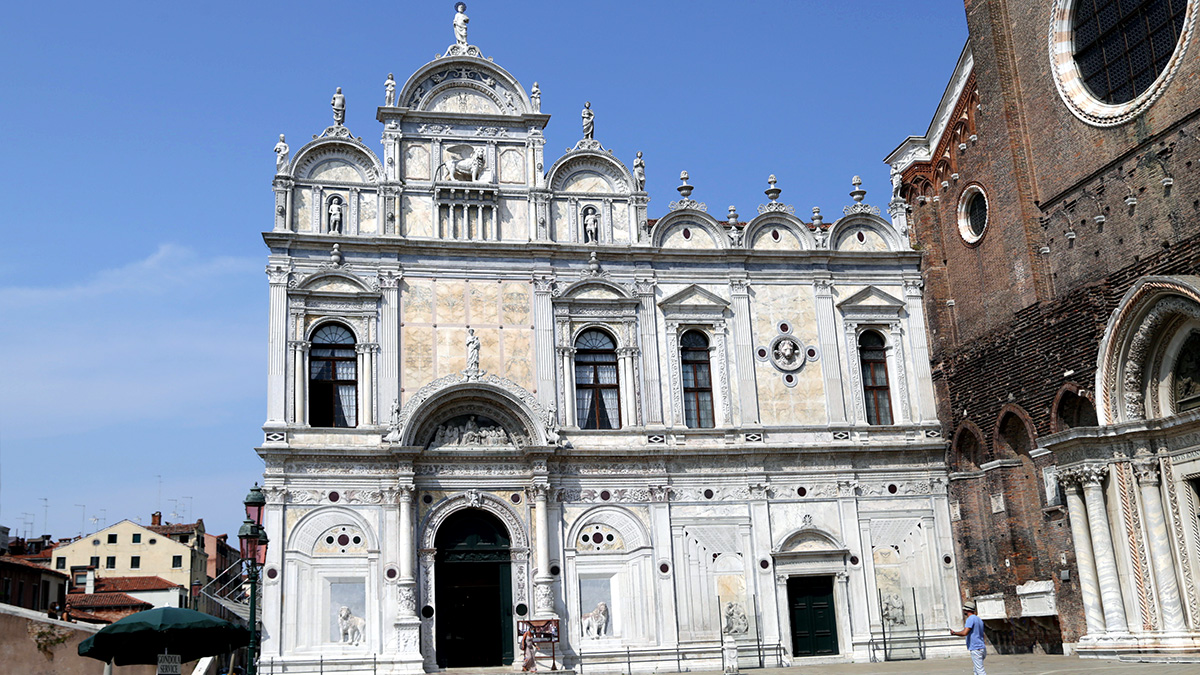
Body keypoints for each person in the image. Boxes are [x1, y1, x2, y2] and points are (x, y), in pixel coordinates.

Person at [950, 601, 986, 675]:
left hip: (976, 648)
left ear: (967, 610)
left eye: (964, 610)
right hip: (982, 647)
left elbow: (965, 633)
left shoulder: (970, 619)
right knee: (976, 670)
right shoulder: (979, 619)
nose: (964, 611)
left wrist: (954, 633)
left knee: (980, 671)